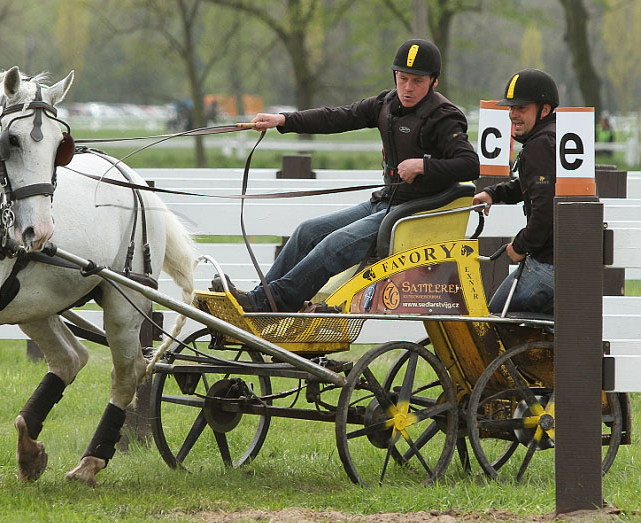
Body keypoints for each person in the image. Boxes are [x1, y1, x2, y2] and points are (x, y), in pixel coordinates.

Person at [219, 38, 480, 312]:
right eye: (403, 79)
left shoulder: (444, 117)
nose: (408, 88)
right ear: (395, 76)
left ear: (433, 82)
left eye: (417, 81)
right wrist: (284, 120)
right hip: (385, 203)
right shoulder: (385, 104)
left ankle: (271, 302)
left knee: (335, 244)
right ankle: (262, 297)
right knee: (306, 232)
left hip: (413, 213)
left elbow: (469, 164)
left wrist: (422, 166)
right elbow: (337, 117)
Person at [472, 68, 558, 315]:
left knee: (492, 321)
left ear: (544, 109)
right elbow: (531, 186)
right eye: (511, 108)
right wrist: (493, 193)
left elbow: (544, 208)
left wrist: (520, 245)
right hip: (566, 262)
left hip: (546, 265)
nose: (513, 114)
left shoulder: (540, 146)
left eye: (521, 108)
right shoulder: (554, 138)